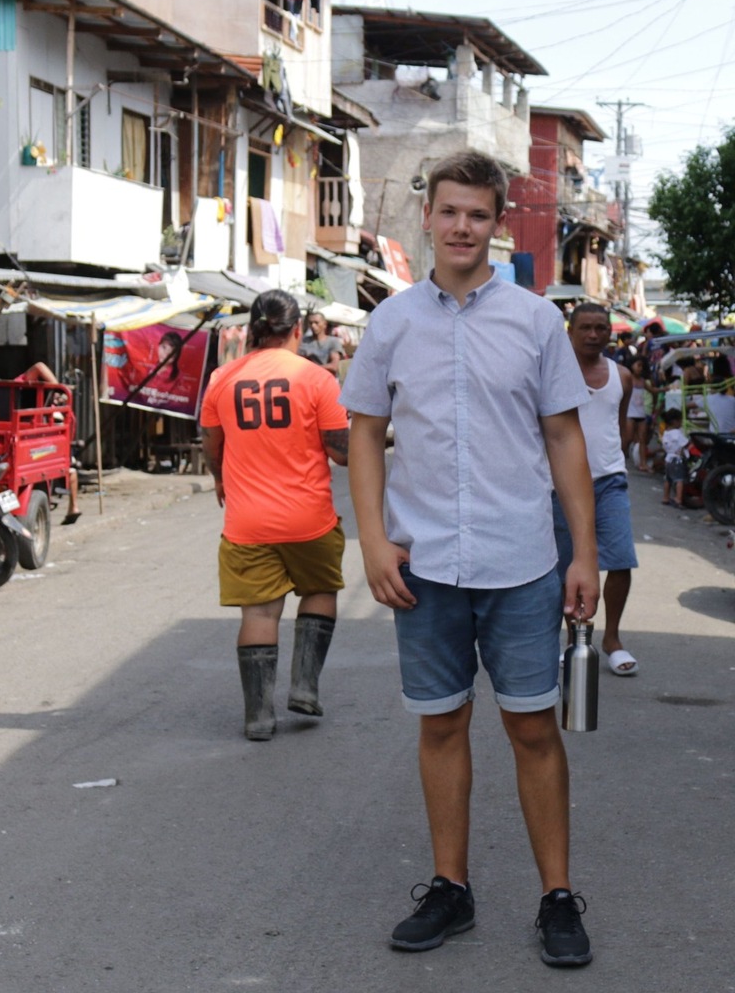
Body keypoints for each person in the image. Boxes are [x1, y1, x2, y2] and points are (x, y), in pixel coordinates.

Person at [340, 149, 599, 968]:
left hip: (521, 559)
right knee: (442, 723)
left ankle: (557, 897)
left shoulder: (532, 321)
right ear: (428, 217)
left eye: (478, 215)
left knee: (532, 728)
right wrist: (374, 539)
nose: (462, 227)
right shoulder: (391, 322)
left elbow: (565, 437)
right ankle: (450, 887)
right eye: (450, 212)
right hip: (423, 566)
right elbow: (364, 433)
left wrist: (583, 553)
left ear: (497, 224)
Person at [199, 290, 349, 741]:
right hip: (310, 518)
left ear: (253, 328)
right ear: (298, 330)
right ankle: (304, 685)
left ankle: (259, 716)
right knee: (320, 589)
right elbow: (340, 452)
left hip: (247, 523)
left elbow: (210, 440)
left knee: (260, 614)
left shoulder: (223, 378)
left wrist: (220, 479)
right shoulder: (317, 379)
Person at [552, 303, 639, 676]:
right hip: (559, 486)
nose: (592, 335)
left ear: (610, 333)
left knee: (620, 561)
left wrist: (609, 460)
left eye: (600, 328)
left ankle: (612, 639)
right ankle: (575, 641)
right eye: (585, 328)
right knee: (565, 567)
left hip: (609, 482)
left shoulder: (622, 376)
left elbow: (620, 428)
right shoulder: (553, 375)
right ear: (570, 331)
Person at [0, 361, 81, 524]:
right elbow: (38, 367)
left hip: (24, 452)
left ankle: (71, 508)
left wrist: (56, 388)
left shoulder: (13, 390)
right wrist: (57, 388)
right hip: (36, 451)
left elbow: (38, 366)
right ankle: (74, 507)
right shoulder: (56, 410)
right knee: (69, 469)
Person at [626, 357, 653, 472]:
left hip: (641, 414)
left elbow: (653, 390)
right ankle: (620, 459)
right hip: (630, 413)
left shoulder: (642, 381)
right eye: (638, 365)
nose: (640, 368)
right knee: (628, 438)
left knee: (642, 440)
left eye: (642, 366)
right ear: (632, 365)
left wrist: (665, 389)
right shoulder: (627, 379)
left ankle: (643, 463)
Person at [298, 311, 345, 376]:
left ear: (324, 324)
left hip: (326, 379)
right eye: (311, 323)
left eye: (316, 323)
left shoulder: (332, 341)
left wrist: (312, 369)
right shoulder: (304, 341)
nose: (313, 325)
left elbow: (334, 366)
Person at [660, 408, 689, 508]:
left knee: (668, 479)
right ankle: (678, 498)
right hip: (677, 460)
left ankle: (665, 497)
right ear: (675, 421)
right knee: (679, 479)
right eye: (680, 420)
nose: (681, 423)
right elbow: (686, 443)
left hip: (668, 459)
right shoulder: (677, 433)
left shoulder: (666, 433)